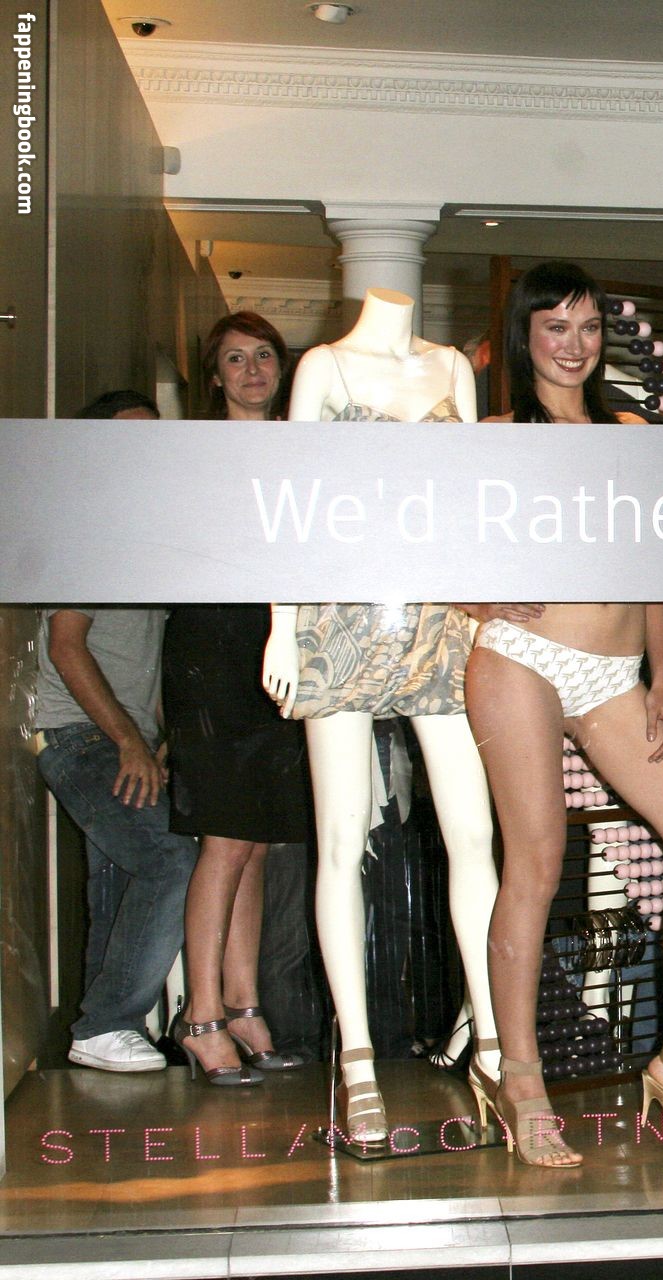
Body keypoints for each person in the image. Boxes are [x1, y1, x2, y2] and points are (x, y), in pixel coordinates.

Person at [466, 261, 663, 1167]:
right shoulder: (495, 437)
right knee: (537, 865)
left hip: (615, 675)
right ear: (525, 336)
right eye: (556, 326)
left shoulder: (631, 432)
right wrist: (473, 600)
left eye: (588, 327)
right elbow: (408, 536)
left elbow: (653, 562)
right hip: (523, 658)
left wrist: (662, 681)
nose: (574, 344)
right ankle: (519, 1080)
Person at [263, 286, 502, 1145]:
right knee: (339, 840)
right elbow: (290, 502)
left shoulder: (451, 369)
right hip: (342, 615)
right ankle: (358, 1059)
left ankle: (494, 1041)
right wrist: (282, 623)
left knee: (473, 834)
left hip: (440, 619)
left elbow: (472, 503)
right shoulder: (323, 368)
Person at [163, 314, 314, 1087]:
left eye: (263, 356)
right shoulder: (196, 450)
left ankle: (243, 1004)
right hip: (211, 652)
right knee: (225, 839)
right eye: (234, 359)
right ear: (214, 375)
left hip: (275, 652)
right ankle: (200, 1017)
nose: (252, 370)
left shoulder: (298, 444)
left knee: (257, 840)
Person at [37, 387, 196, 1071]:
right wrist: (129, 741)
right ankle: (107, 1022)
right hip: (82, 738)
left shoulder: (145, 540)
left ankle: (98, 1036)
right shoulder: (88, 534)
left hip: (126, 741)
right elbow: (66, 645)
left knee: (119, 881)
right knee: (171, 860)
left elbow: (148, 663)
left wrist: (163, 740)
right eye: (132, 436)